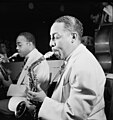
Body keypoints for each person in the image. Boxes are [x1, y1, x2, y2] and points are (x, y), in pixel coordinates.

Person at [27, 15, 107, 120]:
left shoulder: (83, 65)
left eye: (55, 37)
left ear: (73, 37)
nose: (51, 43)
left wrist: (44, 101)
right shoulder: (73, 59)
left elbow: (74, 115)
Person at [0, 32, 50, 119]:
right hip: (24, 98)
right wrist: (7, 78)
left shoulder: (37, 61)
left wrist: (9, 89)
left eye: (19, 45)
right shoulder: (31, 58)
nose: (17, 48)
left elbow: (32, 90)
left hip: (30, 104)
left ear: (30, 44)